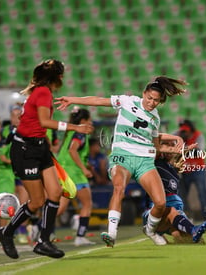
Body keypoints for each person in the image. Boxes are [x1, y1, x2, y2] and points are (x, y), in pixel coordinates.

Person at [56, 76, 188, 247]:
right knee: (119, 188)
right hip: (122, 155)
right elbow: (98, 101)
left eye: (156, 100)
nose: (152, 103)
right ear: (143, 94)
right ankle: (111, 233)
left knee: (161, 203)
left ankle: (149, 230)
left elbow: (155, 147)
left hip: (144, 160)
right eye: (149, 98)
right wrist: (73, 99)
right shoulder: (127, 101)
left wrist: (173, 148)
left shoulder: (155, 118)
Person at [0, 59, 93, 259]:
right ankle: (7, 232)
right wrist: (75, 127)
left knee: (55, 192)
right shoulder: (42, 93)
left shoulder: (41, 92)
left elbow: (37, 125)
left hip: (39, 147)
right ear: (58, 76)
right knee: (37, 200)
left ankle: (44, 241)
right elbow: (44, 121)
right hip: (25, 150)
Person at [142, 149, 206, 244]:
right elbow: (156, 147)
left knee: (192, 240)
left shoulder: (174, 173)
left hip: (170, 217)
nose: (183, 163)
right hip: (154, 214)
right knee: (171, 211)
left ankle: (180, 233)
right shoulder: (156, 163)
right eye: (168, 146)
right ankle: (193, 229)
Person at [57, 107, 95, 246]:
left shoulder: (69, 131)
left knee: (60, 208)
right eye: (89, 119)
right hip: (76, 175)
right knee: (87, 204)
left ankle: (42, 228)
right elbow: (72, 151)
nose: (91, 122)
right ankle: (80, 236)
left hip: (62, 174)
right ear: (84, 121)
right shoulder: (80, 133)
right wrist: (84, 169)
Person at [2, 104, 29, 243]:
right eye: (13, 115)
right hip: (7, 174)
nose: (16, 118)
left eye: (19, 115)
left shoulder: (27, 129)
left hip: (22, 171)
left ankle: (22, 231)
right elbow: (2, 147)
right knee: (9, 204)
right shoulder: (6, 131)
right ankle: (8, 231)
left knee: (24, 202)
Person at [177, 120, 206, 220]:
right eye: (182, 131)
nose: (184, 134)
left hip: (198, 169)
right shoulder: (178, 135)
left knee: (202, 192)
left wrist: (182, 150)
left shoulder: (198, 136)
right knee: (182, 194)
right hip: (185, 170)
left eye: (186, 131)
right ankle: (185, 215)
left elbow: (199, 152)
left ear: (191, 130)